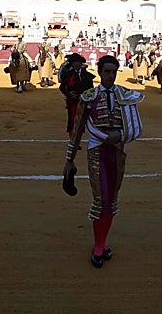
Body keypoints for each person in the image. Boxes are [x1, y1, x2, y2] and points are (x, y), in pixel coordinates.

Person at [63, 54, 145, 268]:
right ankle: (99, 246)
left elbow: (134, 127)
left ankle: (103, 242)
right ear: (99, 72)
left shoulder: (125, 95)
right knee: (100, 200)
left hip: (117, 152)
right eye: (107, 72)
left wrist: (119, 136)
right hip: (97, 151)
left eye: (113, 72)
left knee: (112, 200)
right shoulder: (88, 97)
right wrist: (69, 160)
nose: (110, 76)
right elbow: (78, 130)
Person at [59, 52, 95, 135]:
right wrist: (69, 93)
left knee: (83, 121)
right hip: (73, 102)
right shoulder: (68, 74)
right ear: (72, 64)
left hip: (84, 101)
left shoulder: (86, 75)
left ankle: (77, 138)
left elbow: (91, 89)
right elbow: (62, 87)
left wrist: (86, 96)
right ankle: (73, 141)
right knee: (73, 120)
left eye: (79, 62)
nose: (77, 64)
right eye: (75, 62)